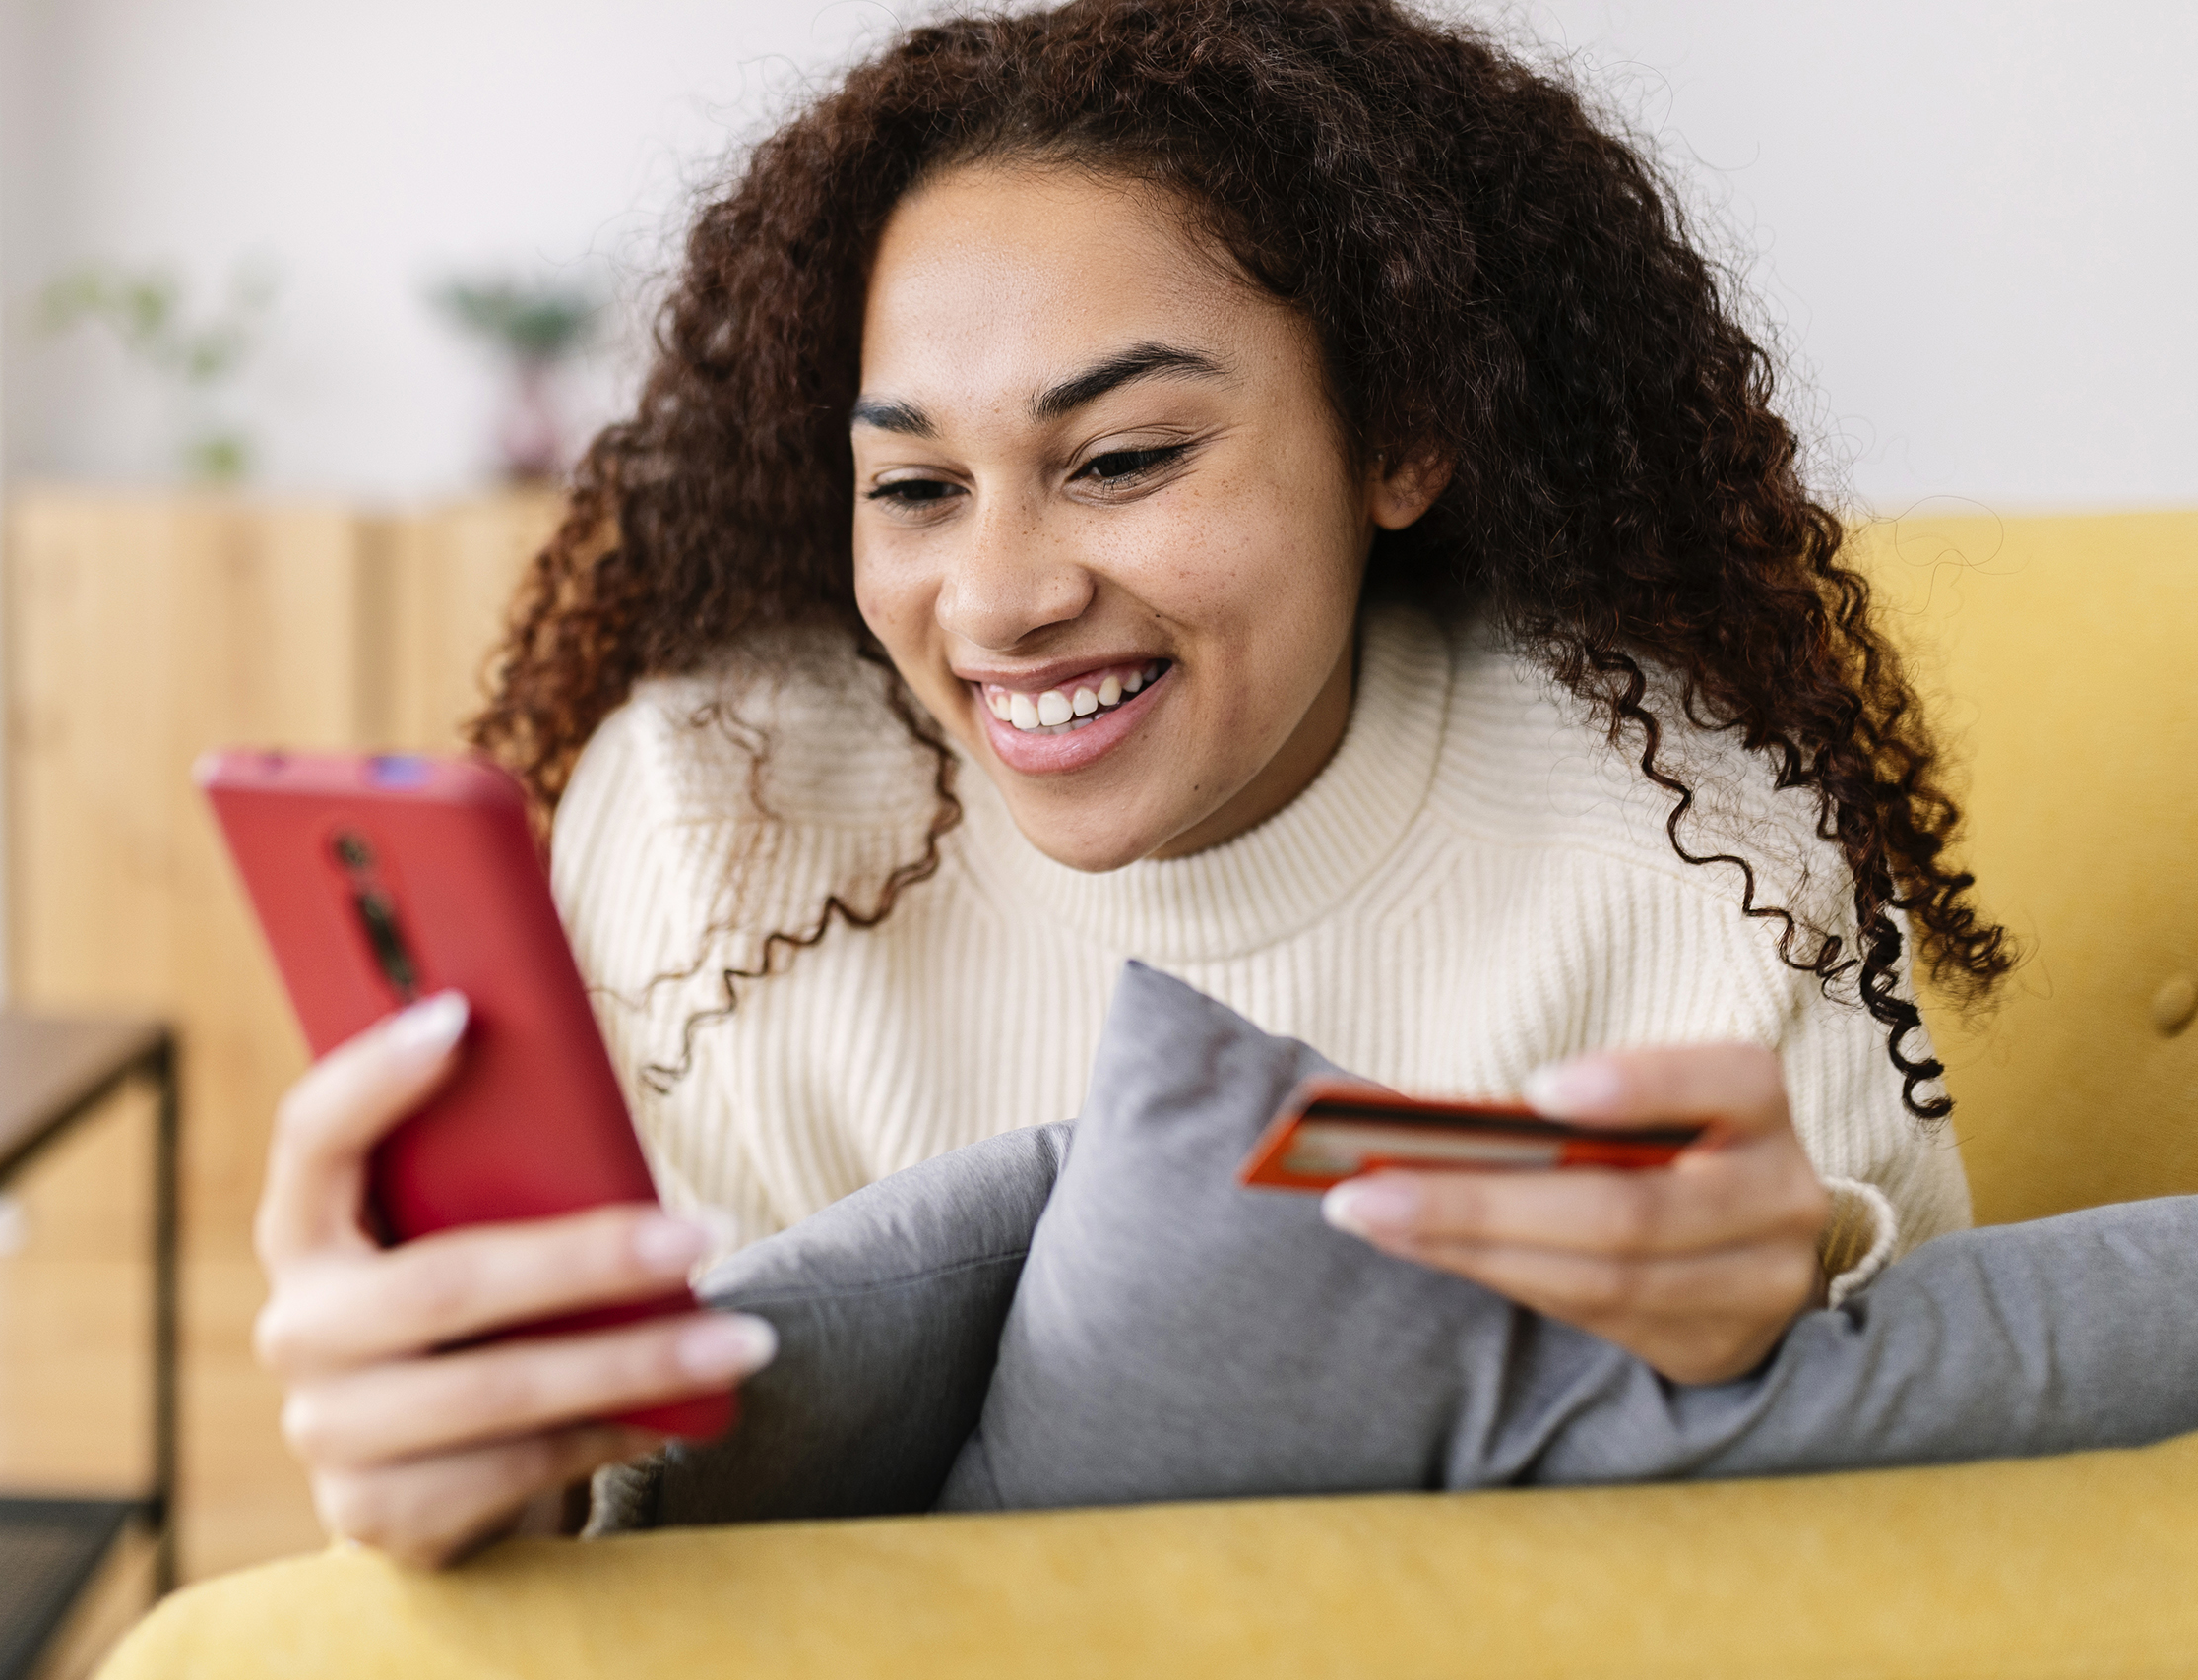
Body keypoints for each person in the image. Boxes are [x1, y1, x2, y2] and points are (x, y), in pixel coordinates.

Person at [252, 0, 2022, 1566]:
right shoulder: (715, 817)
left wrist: (1798, 1305)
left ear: (1402, 430)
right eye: (916, 489)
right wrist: (484, 1478)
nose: (999, 602)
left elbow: (1941, 1501)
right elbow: (625, 1505)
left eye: (1119, 460)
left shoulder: (1694, 831)